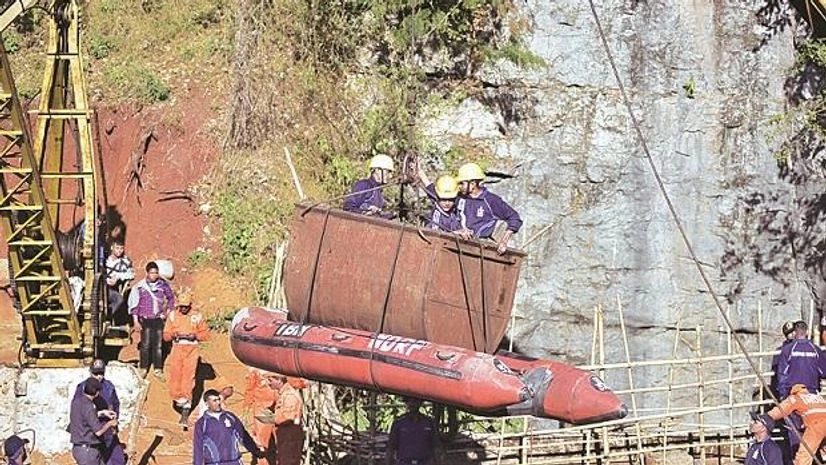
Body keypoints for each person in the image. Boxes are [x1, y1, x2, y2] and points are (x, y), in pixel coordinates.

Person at [776, 320, 826, 459]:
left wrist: (782, 396)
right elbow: (823, 371)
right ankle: (814, 458)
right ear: (807, 332)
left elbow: (782, 374)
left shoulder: (788, 350)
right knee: (813, 427)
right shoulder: (815, 349)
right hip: (811, 395)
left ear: (795, 332)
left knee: (794, 430)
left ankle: (797, 458)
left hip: (794, 396)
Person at [455, 162, 522, 255]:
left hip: (482, 249)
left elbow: (515, 218)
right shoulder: (459, 198)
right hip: (460, 244)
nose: (460, 186)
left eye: (462, 183)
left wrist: (504, 241)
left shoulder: (490, 200)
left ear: (473, 184)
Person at [163, 292, 208, 421]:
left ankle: (186, 408)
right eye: (181, 306)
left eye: (185, 306)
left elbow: (205, 334)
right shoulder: (172, 316)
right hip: (177, 348)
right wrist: (173, 334)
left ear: (190, 305)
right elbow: (166, 335)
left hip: (191, 349)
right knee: (175, 374)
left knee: (189, 376)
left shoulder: (197, 316)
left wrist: (195, 336)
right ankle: (177, 398)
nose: (183, 309)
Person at [127, 261, 175, 380]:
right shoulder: (140, 287)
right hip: (146, 319)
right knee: (145, 344)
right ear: (147, 273)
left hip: (158, 319)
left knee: (158, 345)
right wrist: (136, 321)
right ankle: (143, 367)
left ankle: (158, 369)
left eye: (156, 272)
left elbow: (171, 298)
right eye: (152, 273)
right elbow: (135, 305)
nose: (154, 275)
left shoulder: (163, 286)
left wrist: (168, 311)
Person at [72, 360, 124, 465]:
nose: (99, 376)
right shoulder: (83, 388)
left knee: (117, 460)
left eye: (101, 373)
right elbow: (80, 412)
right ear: (90, 372)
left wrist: (112, 421)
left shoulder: (109, 386)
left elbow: (115, 404)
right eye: (96, 374)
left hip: (107, 433)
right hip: (90, 436)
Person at [193, 389, 263, 465]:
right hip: (214, 463)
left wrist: (255, 450)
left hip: (234, 462)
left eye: (219, 399)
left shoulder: (230, 417)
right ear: (207, 403)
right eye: (214, 401)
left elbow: (243, 436)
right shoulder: (202, 423)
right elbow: (198, 447)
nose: (218, 403)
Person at [767, 384, 826, 465]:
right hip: (820, 424)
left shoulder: (796, 397)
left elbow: (782, 409)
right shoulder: (818, 397)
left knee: (804, 453)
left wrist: (768, 416)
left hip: (816, 425)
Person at [386, 397, 440, 465]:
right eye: (410, 401)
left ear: (420, 403)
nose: (412, 404)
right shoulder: (399, 423)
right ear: (407, 403)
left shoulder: (429, 422)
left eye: (415, 401)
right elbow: (391, 448)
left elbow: (436, 447)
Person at [244, 370, 281, 464]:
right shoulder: (256, 371)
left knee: (280, 441)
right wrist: (246, 408)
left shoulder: (279, 366)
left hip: (280, 408)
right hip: (262, 409)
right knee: (264, 443)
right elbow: (250, 389)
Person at [267, 374, 304, 465]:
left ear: (279, 380)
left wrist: (271, 418)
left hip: (290, 438)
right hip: (285, 438)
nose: (268, 383)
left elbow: (288, 417)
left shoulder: (289, 396)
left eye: (270, 380)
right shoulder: (283, 394)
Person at [104, 241, 134, 316]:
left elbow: (130, 274)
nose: (119, 251)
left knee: (119, 299)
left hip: (111, 290)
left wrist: (118, 277)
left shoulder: (123, 262)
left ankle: (107, 316)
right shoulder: (105, 260)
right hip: (101, 286)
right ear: (112, 248)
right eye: (117, 248)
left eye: (121, 248)